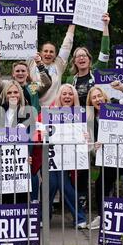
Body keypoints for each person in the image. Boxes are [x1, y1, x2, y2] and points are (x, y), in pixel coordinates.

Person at [66, 13, 111, 209]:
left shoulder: (98, 73)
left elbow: (105, 51)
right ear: (74, 61)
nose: (81, 58)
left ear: (89, 59)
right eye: (78, 57)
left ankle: (104, 200)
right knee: (82, 164)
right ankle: (82, 198)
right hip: (78, 126)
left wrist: (105, 26)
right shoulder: (70, 80)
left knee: (102, 162)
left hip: (98, 125)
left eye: (84, 55)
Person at [86, 84, 123, 229]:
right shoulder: (90, 118)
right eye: (94, 98)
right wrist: (94, 147)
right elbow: (90, 144)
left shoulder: (117, 103)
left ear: (105, 97)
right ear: (90, 102)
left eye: (99, 96)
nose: (98, 99)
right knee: (101, 185)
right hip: (109, 158)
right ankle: (102, 216)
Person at [38, 84, 87, 228]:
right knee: (51, 184)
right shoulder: (48, 112)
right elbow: (37, 131)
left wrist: (86, 135)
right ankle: (46, 217)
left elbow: (86, 136)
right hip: (51, 157)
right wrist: (42, 133)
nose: (67, 97)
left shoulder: (80, 114)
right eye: (64, 94)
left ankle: (77, 217)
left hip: (70, 159)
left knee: (62, 184)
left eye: (70, 94)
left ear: (75, 97)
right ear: (59, 96)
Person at [0, 81, 35, 204]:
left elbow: (18, 134)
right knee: (0, 195)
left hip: (19, 159)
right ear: (5, 95)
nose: (12, 95)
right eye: (9, 92)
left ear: (20, 94)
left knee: (20, 194)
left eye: (15, 92)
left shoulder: (27, 111)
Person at [27, 24, 75, 106]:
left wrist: (72, 22)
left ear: (55, 54)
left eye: (51, 52)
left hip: (53, 110)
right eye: (45, 51)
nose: (48, 54)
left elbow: (67, 45)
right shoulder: (32, 62)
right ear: (40, 53)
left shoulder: (58, 64)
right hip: (33, 108)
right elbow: (23, 43)